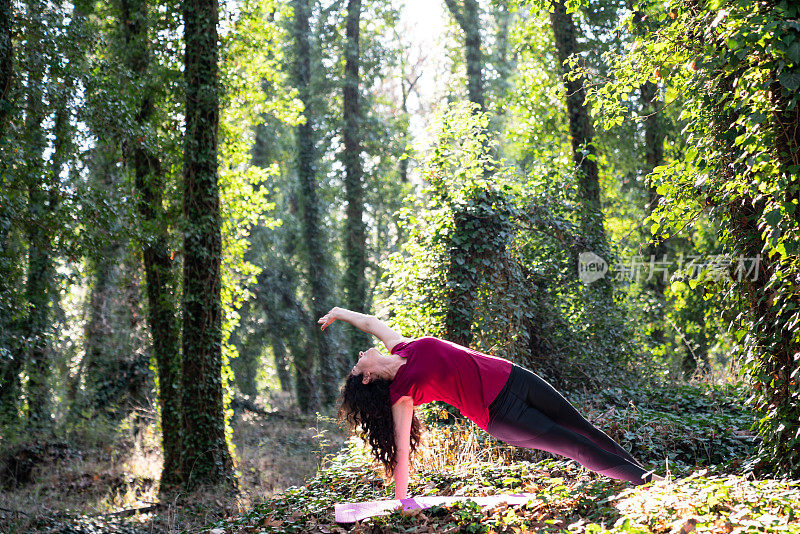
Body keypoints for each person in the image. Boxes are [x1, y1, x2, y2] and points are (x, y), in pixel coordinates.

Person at [318, 306, 662, 499]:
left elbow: (370, 322)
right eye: (356, 363)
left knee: (583, 428)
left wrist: (338, 312)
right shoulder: (401, 395)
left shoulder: (400, 346)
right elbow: (403, 450)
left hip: (515, 377)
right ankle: (649, 484)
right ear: (366, 377)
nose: (361, 353)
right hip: (501, 414)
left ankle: (645, 474)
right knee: (572, 444)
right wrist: (401, 498)